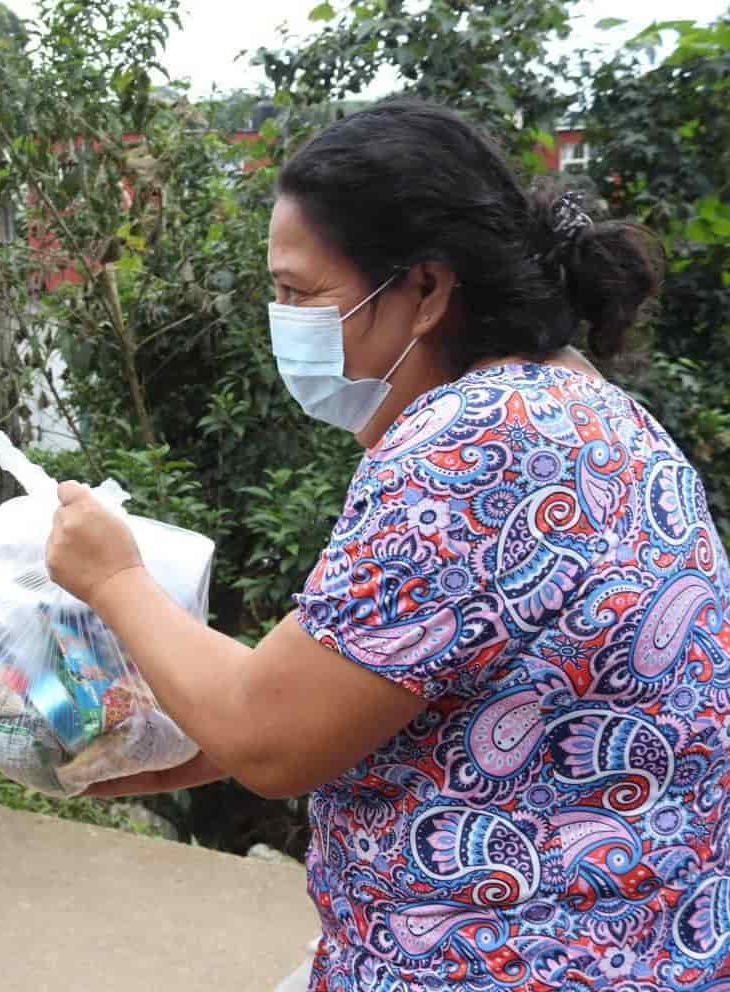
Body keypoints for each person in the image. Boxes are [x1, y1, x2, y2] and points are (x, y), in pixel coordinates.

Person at [45, 100, 721, 991]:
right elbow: (413, 685)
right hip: (646, 943)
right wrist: (182, 741)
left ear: (427, 291)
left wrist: (114, 574)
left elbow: (271, 739)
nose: (282, 319)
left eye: (298, 293)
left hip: (505, 961)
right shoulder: (594, 411)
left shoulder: (476, 442)